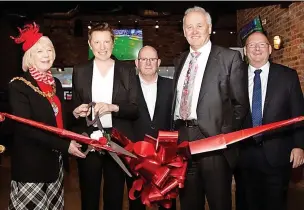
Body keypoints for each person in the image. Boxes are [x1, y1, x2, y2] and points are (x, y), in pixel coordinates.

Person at [171, 6, 249, 210]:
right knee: (189, 202)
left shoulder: (228, 58)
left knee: (219, 202)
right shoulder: (180, 61)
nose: (193, 31)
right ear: (184, 31)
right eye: (189, 27)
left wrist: (223, 137)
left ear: (209, 28)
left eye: (199, 26)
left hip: (214, 143)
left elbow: (240, 105)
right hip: (183, 141)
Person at [8, 22, 85, 210]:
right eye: (40, 51)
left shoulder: (55, 83)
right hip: (31, 167)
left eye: (49, 50)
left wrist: (73, 113)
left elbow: (55, 118)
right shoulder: (18, 85)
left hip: (55, 166)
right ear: (29, 56)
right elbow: (27, 128)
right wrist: (65, 146)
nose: (46, 55)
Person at [71, 22, 139, 210]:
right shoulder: (80, 71)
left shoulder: (126, 71)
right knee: (89, 194)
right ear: (90, 43)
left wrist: (112, 107)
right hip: (89, 140)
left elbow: (135, 109)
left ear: (113, 43)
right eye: (97, 42)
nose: (102, 47)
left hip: (117, 140)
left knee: (114, 195)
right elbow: (73, 110)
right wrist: (76, 112)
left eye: (106, 42)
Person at [237, 31, 304, 210]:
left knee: (276, 204)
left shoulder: (288, 76)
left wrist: (299, 146)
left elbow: (298, 112)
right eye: (251, 45)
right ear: (245, 51)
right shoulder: (235, 77)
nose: (257, 49)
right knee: (247, 203)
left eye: (261, 44)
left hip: (278, 153)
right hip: (244, 156)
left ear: (269, 49)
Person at [127, 45, 176, 210]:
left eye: (152, 59)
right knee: (136, 202)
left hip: (165, 156)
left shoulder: (171, 86)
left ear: (159, 62)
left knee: (167, 202)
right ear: (137, 62)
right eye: (143, 59)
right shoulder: (127, 87)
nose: (148, 63)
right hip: (135, 155)